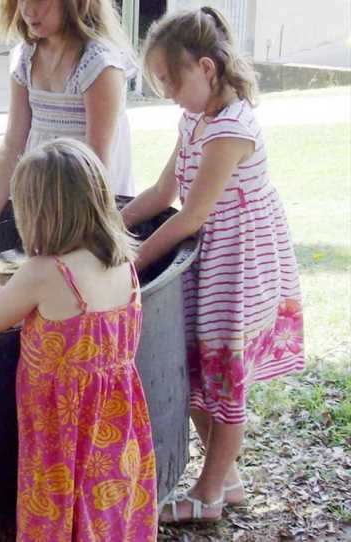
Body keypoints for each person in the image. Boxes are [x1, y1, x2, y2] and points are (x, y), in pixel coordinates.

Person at [121, 7, 305, 523]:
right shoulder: (195, 118)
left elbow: (192, 214)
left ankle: (208, 496)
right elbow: (163, 192)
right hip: (213, 254)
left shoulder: (233, 126)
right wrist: (110, 225)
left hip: (240, 262)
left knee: (226, 375)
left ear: (206, 67)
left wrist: (132, 262)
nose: (165, 91)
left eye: (169, 79)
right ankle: (227, 477)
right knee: (202, 369)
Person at [0, 139, 157, 540]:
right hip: (114, 418)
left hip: (60, 426)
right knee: (105, 501)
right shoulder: (123, 264)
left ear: (40, 212)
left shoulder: (45, 272)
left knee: (57, 505)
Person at [0, 0, 138, 247]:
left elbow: (98, 163)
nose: (28, 10)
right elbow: (12, 145)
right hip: (43, 204)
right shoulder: (25, 58)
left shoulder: (99, 64)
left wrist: (77, 231)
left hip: (87, 209)